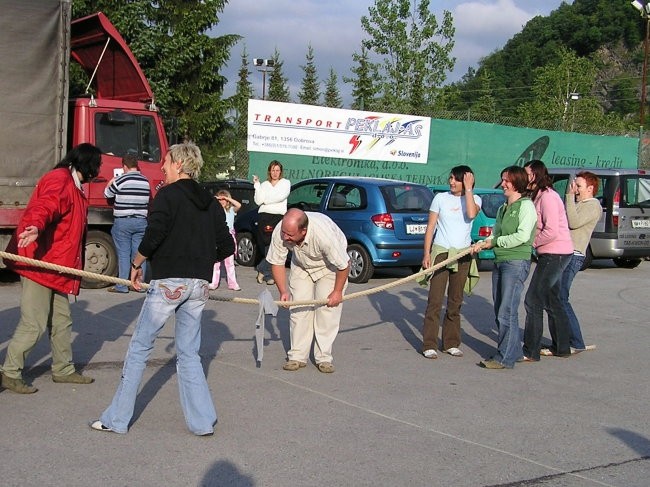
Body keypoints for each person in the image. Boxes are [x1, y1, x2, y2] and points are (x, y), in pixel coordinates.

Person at [90, 143, 234, 435]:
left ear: (180, 164)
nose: (163, 167)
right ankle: (202, 422)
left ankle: (116, 419)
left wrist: (136, 262)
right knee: (190, 354)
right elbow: (228, 246)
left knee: (139, 348)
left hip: (168, 281)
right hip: (199, 285)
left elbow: (154, 234)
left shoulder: (166, 196)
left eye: (166, 162)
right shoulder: (210, 201)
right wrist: (202, 260)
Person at [1, 143, 102, 393]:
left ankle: (63, 369)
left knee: (61, 321)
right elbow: (45, 206)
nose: (98, 171)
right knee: (34, 323)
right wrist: (35, 226)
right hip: (40, 264)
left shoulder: (73, 185)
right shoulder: (60, 180)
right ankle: (10, 372)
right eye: (97, 166)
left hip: (57, 267)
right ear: (87, 164)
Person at [266, 208, 350, 374]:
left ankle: (324, 357)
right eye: (284, 232)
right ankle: (297, 356)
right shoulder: (281, 230)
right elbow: (276, 262)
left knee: (326, 310)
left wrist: (337, 292)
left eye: (289, 234)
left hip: (330, 267)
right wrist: (283, 291)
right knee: (298, 308)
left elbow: (343, 266)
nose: (285, 237)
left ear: (303, 230)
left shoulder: (323, 235)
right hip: (302, 265)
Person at [473, 166, 537, 369]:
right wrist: (484, 242)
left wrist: (495, 242)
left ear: (517, 182)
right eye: (502, 180)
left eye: (506, 181)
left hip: (516, 262)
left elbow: (522, 236)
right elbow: (495, 234)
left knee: (506, 310)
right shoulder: (503, 208)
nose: (503, 184)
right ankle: (514, 352)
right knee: (501, 308)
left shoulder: (526, 206)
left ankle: (504, 358)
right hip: (500, 261)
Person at [421, 165, 481, 359]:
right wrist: (427, 253)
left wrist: (469, 190)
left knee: (455, 301)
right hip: (441, 252)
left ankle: (451, 342)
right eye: (451, 178)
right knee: (435, 301)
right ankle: (429, 344)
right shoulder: (440, 198)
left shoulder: (475, 199)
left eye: (456, 179)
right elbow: (431, 227)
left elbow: (471, 214)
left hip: (462, 255)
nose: (451, 182)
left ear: (466, 180)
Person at [542, 171, 601, 356]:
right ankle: (564, 340)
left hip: (574, 255)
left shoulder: (592, 206)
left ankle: (575, 341)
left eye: (579, 186)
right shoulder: (579, 204)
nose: (575, 189)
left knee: (560, 298)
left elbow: (573, 223)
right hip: (564, 253)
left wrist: (568, 196)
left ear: (590, 189)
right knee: (555, 297)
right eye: (575, 185)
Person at [522, 160, 574, 361]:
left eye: (526, 174)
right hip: (553, 253)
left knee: (533, 299)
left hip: (556, 254)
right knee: (552, 300)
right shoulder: (537, 196)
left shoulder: (548, 197)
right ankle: (561, 347)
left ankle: (531, 351)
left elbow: (551, 231)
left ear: (534, 175)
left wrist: (532, 243)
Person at [104, 153, 151, 293]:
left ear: (124, 166)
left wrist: (111, 181)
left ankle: (122, 285)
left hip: (123, 222)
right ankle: (139, 285)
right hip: (141, 221)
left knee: (123, 253)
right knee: (139, 253)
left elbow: (107, 194)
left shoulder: (121, 180)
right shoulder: (145, 181)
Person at [253, 160, 290, 285]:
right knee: (267, 244)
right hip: (264, 216)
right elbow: (258, 201)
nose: (275, 173)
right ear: (270, 171)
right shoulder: (264, 184)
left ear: (281, 171)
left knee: (276, 245)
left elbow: (281, 196)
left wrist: (266, 200)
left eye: (277, 170)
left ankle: (262, 269)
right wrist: (257, 185)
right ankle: (268, 275)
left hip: (278, 217)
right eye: (273, 170)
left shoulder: (285, 183)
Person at [209, 189, 241, 291]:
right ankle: (213, 283)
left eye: (224, 199)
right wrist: (216, 199)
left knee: (230, 263)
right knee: (216, 262)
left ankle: (233, 283)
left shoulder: (231, 210)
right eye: (220, 199)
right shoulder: (214, 211)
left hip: (228, 237)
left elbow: (239, 205)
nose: (221, 201)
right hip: (217, 237)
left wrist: (227, 198)